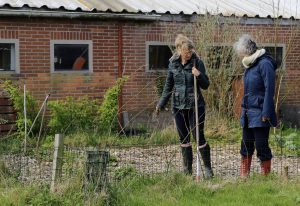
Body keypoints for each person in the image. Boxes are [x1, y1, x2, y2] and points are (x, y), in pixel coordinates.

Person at [156, 34, 213, 178]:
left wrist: (199, 75)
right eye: (187, 51)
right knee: (183, 138)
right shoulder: (173, 64)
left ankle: (207, 169)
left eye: (191, 51)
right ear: (179, 49)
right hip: (178, 106)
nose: (190, 53)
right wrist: (161, 103)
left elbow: (206, 85)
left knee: (198, 137)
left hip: (195, 105)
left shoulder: (197, 63)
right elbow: (168, 85)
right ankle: (187, 171)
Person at [234, 34, 277, 177]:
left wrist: (266, 113)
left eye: (241, 53)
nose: (240, 56)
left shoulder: (264, 64)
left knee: (261, 146)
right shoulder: (250, 65)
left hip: (260, 114)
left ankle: (266, 177)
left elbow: (269, 89)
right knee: (245, 146)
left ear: (248, 50)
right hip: (248, 114)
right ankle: (244, 177)